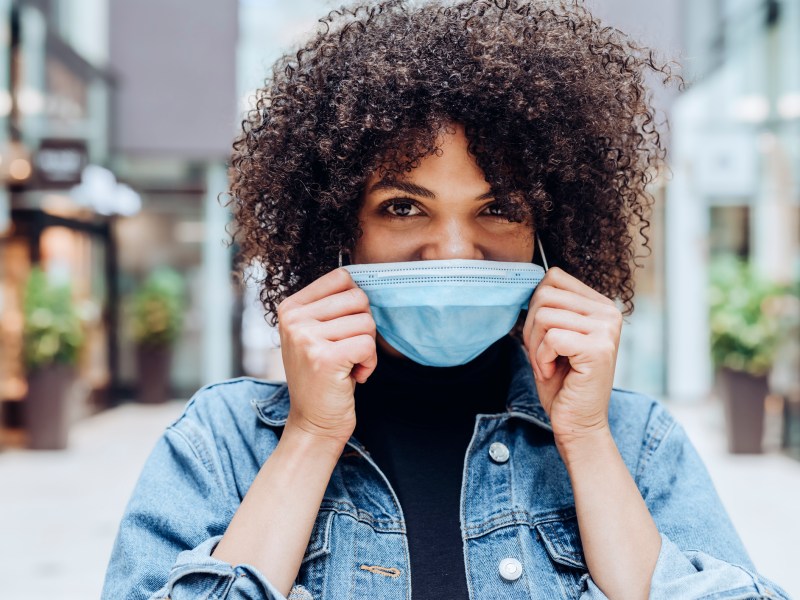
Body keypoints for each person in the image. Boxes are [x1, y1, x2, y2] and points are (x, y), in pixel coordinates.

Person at [102, 1, 790, 599]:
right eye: (404, 207)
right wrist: (309, 439)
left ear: (547, 233)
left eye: (498, 207)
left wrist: (585, 441)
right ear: (341, 228)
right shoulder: (222, 444)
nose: (454, 250)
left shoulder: (635, 443)